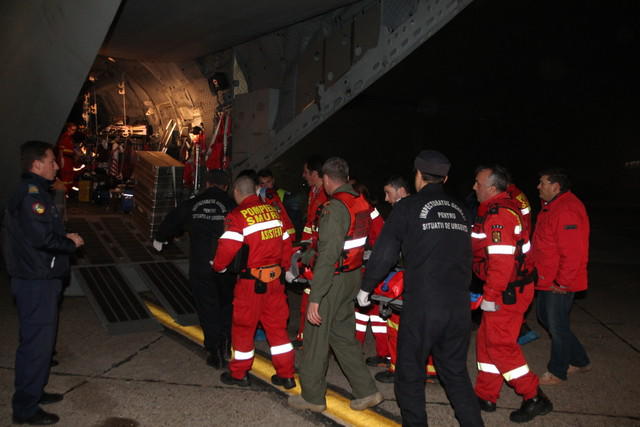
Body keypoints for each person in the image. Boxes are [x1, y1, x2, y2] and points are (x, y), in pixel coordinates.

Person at [359, 150, 483, 426]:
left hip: (423, 306)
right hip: (459, 305)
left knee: (410, 373)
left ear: (417, 175)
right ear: (445, 178)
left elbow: (385, 251)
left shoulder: (407, 207)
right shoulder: (462, 210)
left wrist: (366, 287)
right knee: (455, 373)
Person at [289, 157, 382, 413]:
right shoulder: (360, 201)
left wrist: (315, 298)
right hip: (352, 276)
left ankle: (312, 397)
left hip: (333, 281)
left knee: (315, 339)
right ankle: (367, 391)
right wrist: (308, 255)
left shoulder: (334, 208)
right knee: (343, 337)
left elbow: (329, 256)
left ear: (327, 179)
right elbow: (351, 242)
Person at [3, 141, 84, 425]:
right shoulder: (32, 196)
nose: (57, 166)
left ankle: (34, 391)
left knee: (39, 342)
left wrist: (63, 238)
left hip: (38, 277)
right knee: (36, 345)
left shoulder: (34, 191)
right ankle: (25, 408)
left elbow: (37, 233)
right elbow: (41, 238)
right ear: (37, 164)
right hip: (36, 280)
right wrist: (70, 243)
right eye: (52, 161)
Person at [471, 165, 552, 423]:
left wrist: (491, 295)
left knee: (500, 345)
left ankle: (534, 396)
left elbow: (501, 263)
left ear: (492, 188)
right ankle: (486, 395)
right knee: (486, 340)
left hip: (506, 291)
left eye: (478, 183)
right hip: (507, 287)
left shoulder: (499, 216)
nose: (474, 187)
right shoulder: (499, 209)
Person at [212, 175, 296, 389]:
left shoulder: (237, 216)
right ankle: (286, 374)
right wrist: (285, 268)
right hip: (275, 281)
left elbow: (227, 248)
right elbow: (287, 244)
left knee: (243, 328)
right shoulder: (273, 211)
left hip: (251, 284)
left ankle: (239, 373)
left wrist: (219, 267)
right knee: (277, 329)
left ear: (237, 192)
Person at [154, 169, 236, 369]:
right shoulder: (232, 205)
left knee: (207, 308)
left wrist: (160, 238)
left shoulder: (192, 204)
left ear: (207, 184)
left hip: (201, 266)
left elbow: (172, 220)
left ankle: (214, 352)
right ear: (226, 186)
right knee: (226, 306)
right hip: (227, 265)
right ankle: (226, 344)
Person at [531, 169, 591, 385]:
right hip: (547, 278)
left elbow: (573, 251)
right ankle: (580, 360)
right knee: (547, 318)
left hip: (559, 281)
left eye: (542, 183)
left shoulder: (566, 210)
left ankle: (557, 371)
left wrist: (562, 282)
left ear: (555, 187)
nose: (538, 187)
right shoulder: (553, 206)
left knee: (557, 325)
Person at [294, 155, 328, 346]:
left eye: (306, 172)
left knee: (314, 297)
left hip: (318, 253)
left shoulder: (325, 195)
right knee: (308, 294)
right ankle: (304, 336)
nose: (303, 175)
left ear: (315, 173)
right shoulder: (314, 192)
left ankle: (311, 338)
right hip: (310, 251)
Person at [257, 168, 297, 240]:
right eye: (262, 183)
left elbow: (292, 216)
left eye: (268, 182)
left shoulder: (284, 195)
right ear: (259, 185)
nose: (265, 186)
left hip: (285, 233)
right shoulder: (260, 198)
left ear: (273, 180)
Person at [55, 122, 77, 193]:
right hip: (65, 159)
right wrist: (61, 159)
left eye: (75, 130)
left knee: (69, 176)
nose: (73, 131)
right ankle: (63, 192)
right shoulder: (64, 137)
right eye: (72, 129)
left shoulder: (70, 138)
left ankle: (67, 191)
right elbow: (61, 149)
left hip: (69, 159)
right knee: (64, 176)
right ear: (68, 129)